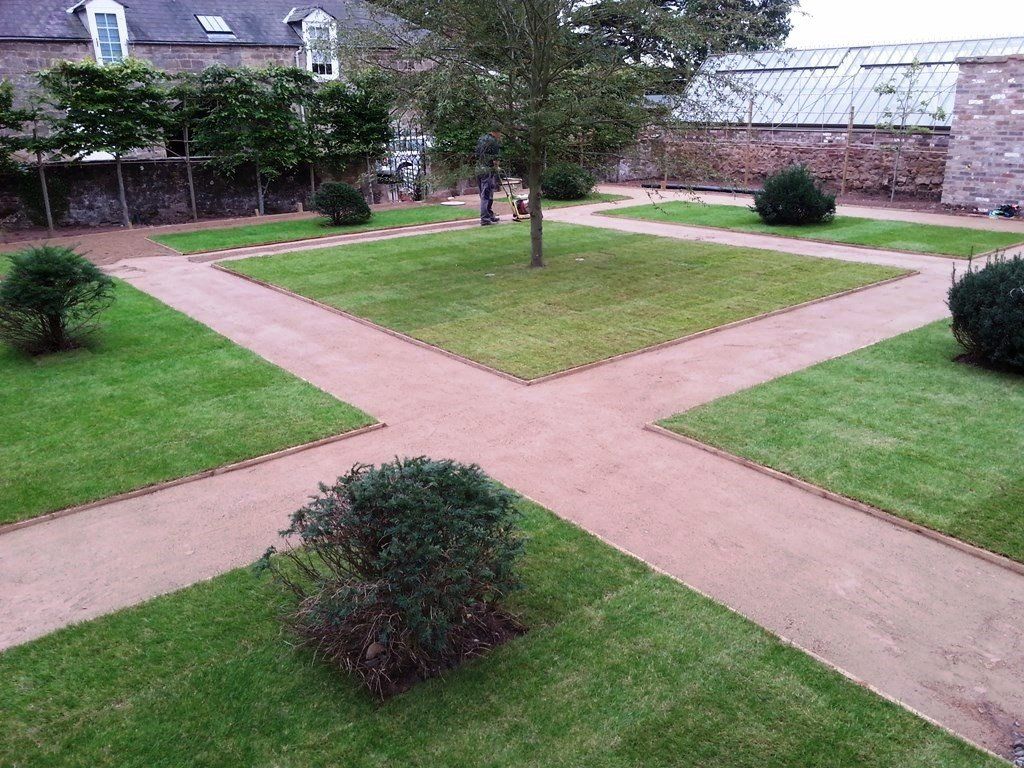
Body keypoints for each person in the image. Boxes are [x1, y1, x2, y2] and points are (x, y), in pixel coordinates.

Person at [475, 131, 502, 226]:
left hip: (478, 169)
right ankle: (485, 219)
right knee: (487, 195)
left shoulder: (481, 139)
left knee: (484, 193)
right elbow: (496, 158)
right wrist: (497, 167)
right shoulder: (494, 142)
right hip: (487, 170)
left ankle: (489, 215)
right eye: (500, 133)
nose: (501, 135)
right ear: (496, 132)